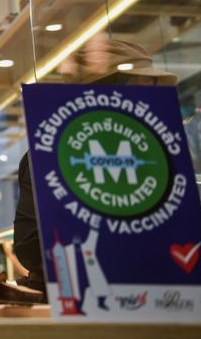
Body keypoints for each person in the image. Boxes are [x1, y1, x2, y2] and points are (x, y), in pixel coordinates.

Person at [13, 36, 177, 294]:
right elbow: (31, 246)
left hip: (159, 299)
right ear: (112, 89)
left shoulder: (162, 156)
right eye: (145, 83)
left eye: (154, 84)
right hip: (73, 301)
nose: (154, 93)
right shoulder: (50, 156)